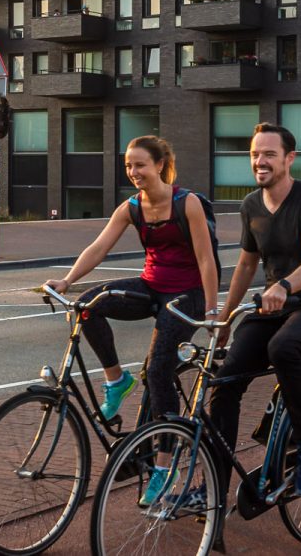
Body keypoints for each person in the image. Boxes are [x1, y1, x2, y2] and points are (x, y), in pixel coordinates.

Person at [42, 135, 219, 506]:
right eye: (128, 165)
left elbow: (206, 260)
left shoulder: (186, 204)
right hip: (151, 287)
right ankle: (116, 380)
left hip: (187, 294)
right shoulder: (132, 208)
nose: (133, 172)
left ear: (159, 165)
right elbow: (99, 247)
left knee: (158, 372)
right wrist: (68, 281)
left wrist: (213, 309)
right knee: (88, 304)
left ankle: (163, 466)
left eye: (140, 164)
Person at [210, 122, 301, 504]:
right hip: (274, 306)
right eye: (255, 154)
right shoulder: (251, 205)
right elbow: (244, 266)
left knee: (283, 348)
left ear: (289, 159)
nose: (260, 161)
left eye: (269, 154)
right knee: (224, 384)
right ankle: (214, 487)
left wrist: (284, 285)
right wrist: (224, 319)